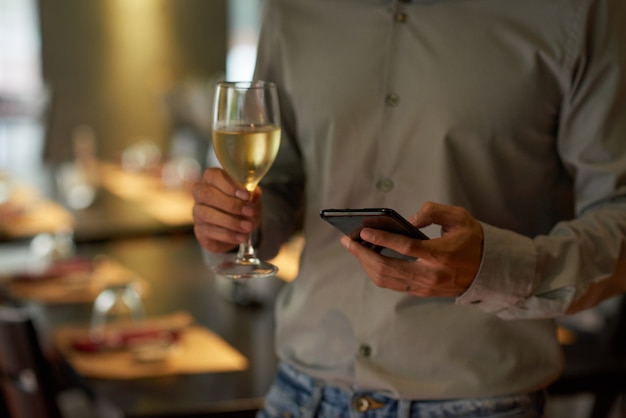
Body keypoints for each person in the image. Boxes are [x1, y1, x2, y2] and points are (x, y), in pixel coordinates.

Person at [192, 0, 626, 416]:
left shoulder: (578, 10)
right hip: (301, 393)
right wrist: (234, 222)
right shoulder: (292, 8)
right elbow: (280, 180)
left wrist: (492, 269)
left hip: (477, 404)